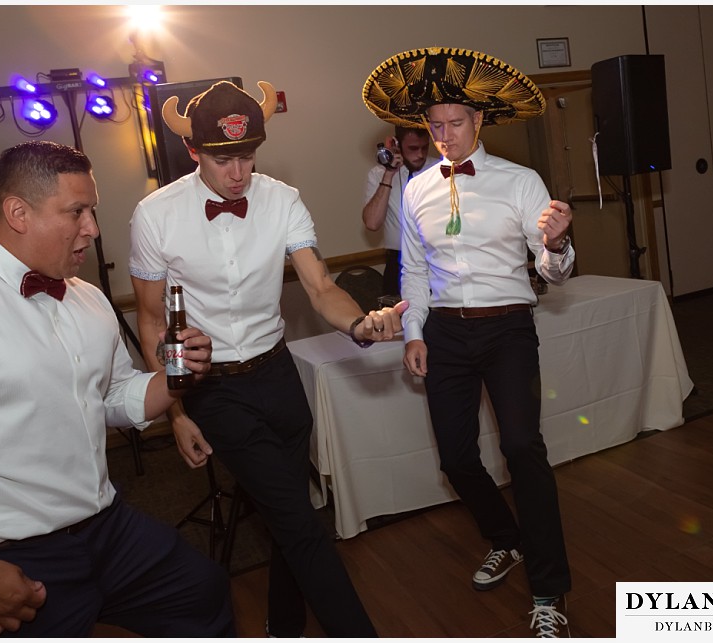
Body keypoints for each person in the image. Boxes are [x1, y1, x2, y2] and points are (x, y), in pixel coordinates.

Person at [0, 141, 235, 638]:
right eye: (77, 212)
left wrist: (176, 377)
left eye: (93, 211)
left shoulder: (88, 300)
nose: (93, 230)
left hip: (105, 527)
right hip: (1, 553)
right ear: (18, 212)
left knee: (202, 592)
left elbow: (112, 398)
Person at [129, 80, 404, 638]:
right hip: (213, 388)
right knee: (302, 523)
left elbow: (321, 285)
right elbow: (153, 320)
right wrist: (177, 411)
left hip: (278, 375)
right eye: (223, 158)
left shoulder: (282, 199)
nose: (238, 172)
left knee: (287, 516)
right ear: (193, 152)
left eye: (247, 156)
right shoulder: (155, 215)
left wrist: (359, 322)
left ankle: (284, 627)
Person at [362, 47, 575, 638]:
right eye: (434, 126)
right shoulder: (415, 189)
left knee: (523, 446)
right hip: (444, 331)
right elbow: (414, 271)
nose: (444, 135)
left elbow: (553, 272)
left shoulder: (521, 181)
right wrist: (412, 331)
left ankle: (550, 590)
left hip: (508, 326)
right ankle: (505, 540)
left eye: (455, 123)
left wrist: (556, 244)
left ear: (478, 123)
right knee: (456, 456)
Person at [361, 126, 433, 296]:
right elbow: (372, 223)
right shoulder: (378, 174)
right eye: (413, 148)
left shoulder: (440, 169)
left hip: (435, 260)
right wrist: (389, 175)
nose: (420, 154)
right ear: (397, 145)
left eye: (424, 147)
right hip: (398, 262)